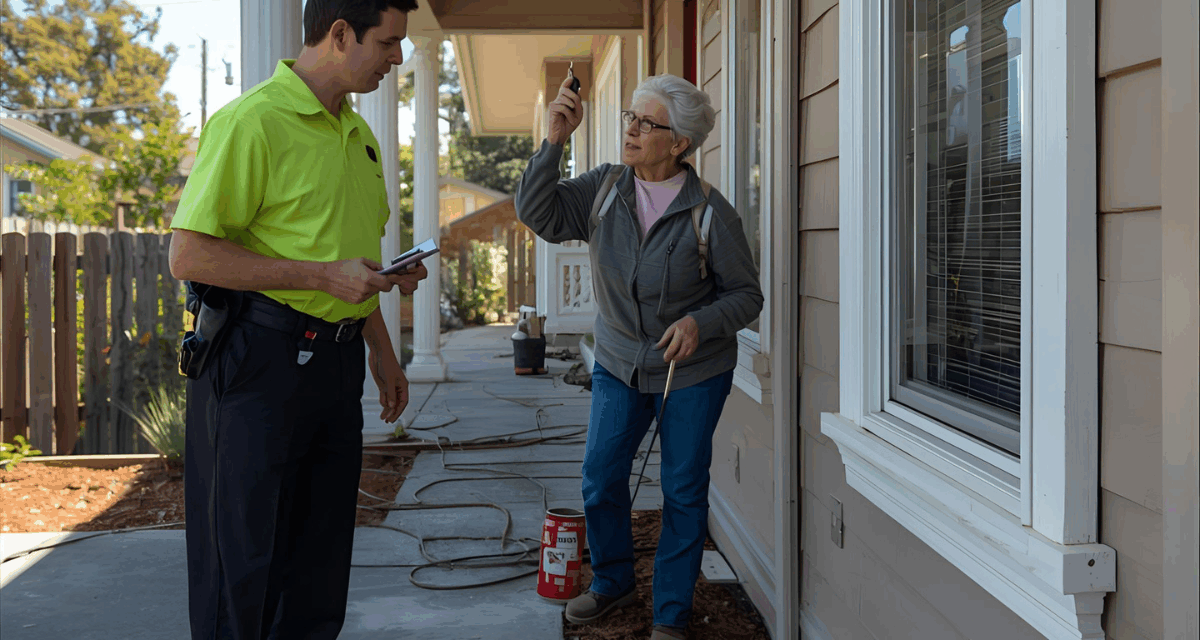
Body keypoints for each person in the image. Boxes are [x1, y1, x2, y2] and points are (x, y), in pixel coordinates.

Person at [167, 0, 424, 637]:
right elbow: (188, 253)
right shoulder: (253, 121)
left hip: (335, 368)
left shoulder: (359, 135)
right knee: (244, 566)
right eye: (389, 43)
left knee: (318, 566)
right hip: (257, 364)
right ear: (340, 34)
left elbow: (348, 260)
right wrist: (320, 276)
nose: (398, 58)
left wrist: (381, 349)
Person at [515, 74, 763, 640]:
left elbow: (747, 295)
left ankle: (670, 615)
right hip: (620, 363)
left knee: (681, 489)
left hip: (693, 372)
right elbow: (538, 212)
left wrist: (702, 322)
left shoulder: (710, 213)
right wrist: (554, 139)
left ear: (678, 143)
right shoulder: (604, 190)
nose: (631, 128)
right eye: (631, 116)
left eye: (646, 122)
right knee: (601, 478)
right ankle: (612, 581)